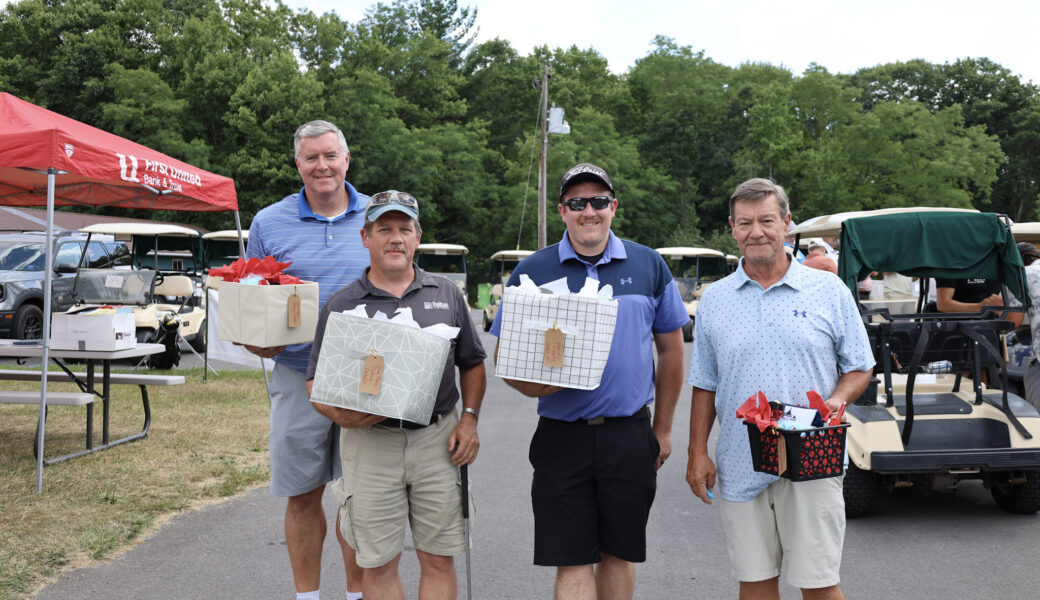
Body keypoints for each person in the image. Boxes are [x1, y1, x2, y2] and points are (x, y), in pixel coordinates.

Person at [489, 162, 688, 600]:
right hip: (562, 435)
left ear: (613, 207)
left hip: (628, 433)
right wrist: (532, 385)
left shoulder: (649, 264)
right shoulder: (531, 271)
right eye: (577, 203)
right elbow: (507, 358)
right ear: (563, 211)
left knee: (619, 554)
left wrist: (664, 429)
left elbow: (672, 350)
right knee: (573, 557)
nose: (589, 211)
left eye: (598, 201)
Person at [685, 178, 875, 600]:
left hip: (812, 456)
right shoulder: (715, 299)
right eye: (745, 222)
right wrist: (696, 452)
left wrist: (836, 400)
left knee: (820, 583)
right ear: (732, 228)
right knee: (754, 582)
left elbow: (860, 366)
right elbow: (704, 383)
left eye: (767, 220)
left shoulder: (828, 290)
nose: (757, 232)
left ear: (786, 223)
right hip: (740, 459)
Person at [306, 190, 487, 599]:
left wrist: (470, 418)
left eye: (404, 229)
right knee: (378, 562)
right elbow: (315, 384)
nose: (395, 238)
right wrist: (338, 415)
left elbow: (472, 363)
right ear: (365, 236)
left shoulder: (446, 295)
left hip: (437, 439)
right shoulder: (342, 303)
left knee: (439, 557)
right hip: (370, 445)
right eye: (384, 229)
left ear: (417, 237)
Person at [244, 120, 368, 600]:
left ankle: (357, 594)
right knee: (302, 494)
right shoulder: (268, 222)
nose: (322, 166)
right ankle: (308, 597)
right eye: (311, 157)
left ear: (346, 158)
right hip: (298, 373)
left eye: (330, 155)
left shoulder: (377, 217)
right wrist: (255, 342)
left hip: (364, 374)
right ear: (297, 164)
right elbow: (251, 299)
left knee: (360, 494)